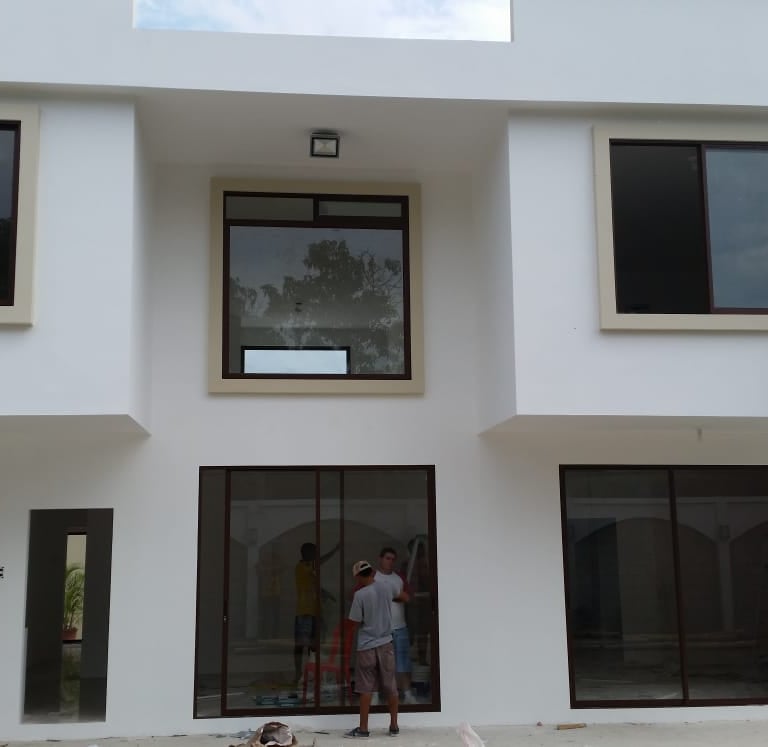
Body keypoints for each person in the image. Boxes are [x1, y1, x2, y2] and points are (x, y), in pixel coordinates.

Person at [345, 560, 405, 739]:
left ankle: (363, 729)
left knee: (365, 687)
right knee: (390, 685)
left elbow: (354, 622)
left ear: (357, 576)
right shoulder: (387, 587)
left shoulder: (360, 595)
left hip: (367, 646)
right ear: (372, 572)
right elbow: (401, 596)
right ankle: (394, 726)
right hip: (386, 643)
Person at [294, 540, 339, 688]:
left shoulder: (310, 570)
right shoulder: (301, 567)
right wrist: (335, 550)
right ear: (307, 554)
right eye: (314, 553)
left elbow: (316, 586)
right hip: (304, 613)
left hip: (314, 612)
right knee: (301, 645)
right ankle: (298, 674)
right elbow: (319, 562)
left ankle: (310, 675)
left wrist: (327, 595)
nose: (316, 556)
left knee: (313, 647)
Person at [375, 546, 416, 704]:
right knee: (378, 663)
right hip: (380, 628)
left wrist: (391, 596)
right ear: (380, 559)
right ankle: (375, 695)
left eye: (393, 559)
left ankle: (407, 694)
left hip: (400, 627)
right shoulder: (372, 577)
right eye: (387, 558)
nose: (390, 562)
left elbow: (408, 597)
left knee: (402, 663)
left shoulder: (399, 578)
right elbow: (358, 596)